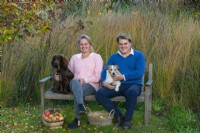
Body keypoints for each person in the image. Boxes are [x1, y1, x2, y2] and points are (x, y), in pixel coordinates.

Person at [95, 33, 146, 130]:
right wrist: (104, 82)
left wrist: (123, 77)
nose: (123, 46)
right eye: (121, 44)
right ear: (118, 44)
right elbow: (105, 70)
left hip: (134, 84)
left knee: (132, 92)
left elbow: (139, 72)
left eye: (125, 43)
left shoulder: (139, 55)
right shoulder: (114, 57)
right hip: (118, 85)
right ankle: (118, 116)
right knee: (99, 94)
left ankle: (127, 120)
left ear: (130, 43)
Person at [55, 35, 103, 129]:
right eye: (81, 44)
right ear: (79, 45)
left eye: (86, 44)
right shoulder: (74, 58)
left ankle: (77, 119)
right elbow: (69, 75)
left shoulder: (96, 57)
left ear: (90, 45)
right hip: (75, 83)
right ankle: (81, 106)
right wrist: (59, 77)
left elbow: (98, 77)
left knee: (78, 91)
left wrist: (85, 80)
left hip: (91, 85)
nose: (83, 46)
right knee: (74, 81)